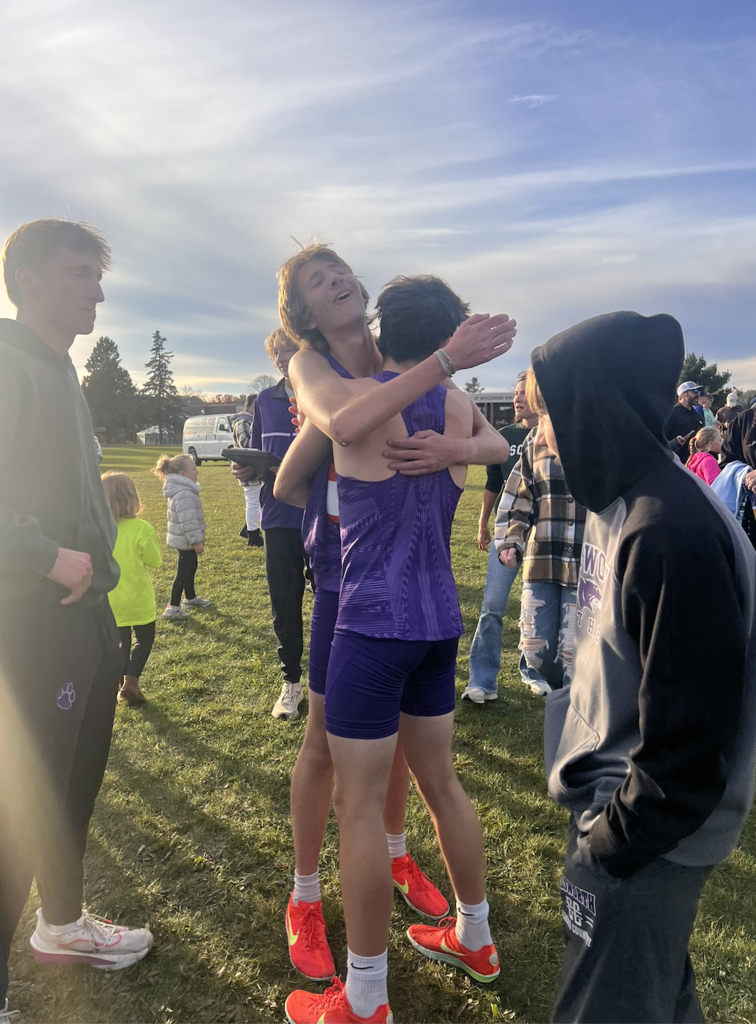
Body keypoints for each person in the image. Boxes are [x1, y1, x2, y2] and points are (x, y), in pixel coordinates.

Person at [284, 274, 515, 1024]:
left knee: (357, 809)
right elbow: (500, 446)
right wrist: (459, 442)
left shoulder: (362, 398)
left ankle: (365, 996)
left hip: (371, 626)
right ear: (449, 333)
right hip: (438, 624)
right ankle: (475, 937)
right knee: (442, 784)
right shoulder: (453, 405)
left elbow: (317, 454)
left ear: (386, 325)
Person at [528, 310, 756, 1024]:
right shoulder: (620, 501)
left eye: (547, 415)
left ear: (591, 408)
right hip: (621, 815)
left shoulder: (670, 533)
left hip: (645, 839)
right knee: (654, 1000)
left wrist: (613, 843)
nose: (541, 436)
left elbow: (691, 740)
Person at [0, 218, 153, 1020]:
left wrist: (97, 569)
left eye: (98, 277)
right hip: (32, 622)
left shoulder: (62, 369)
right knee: (21, 807)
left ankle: (61, 924)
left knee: (71, 790)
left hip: (88, 620)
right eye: (78, 274)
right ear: (27, 280)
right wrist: (43, 555)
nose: (96, 291)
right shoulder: (9, 363)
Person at [493, 390, 586, 697]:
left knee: (575, 655)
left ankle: (573, 707)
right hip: (543, 557)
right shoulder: (536, 439)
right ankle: (560, 692)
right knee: (536, 651)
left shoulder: (602, 435)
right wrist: (511, 539)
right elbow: (519, 495)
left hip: (587, 565)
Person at [243, 329, 309, 720]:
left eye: (288, 349)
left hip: (321, 515)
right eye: (276, 353)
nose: (282, 358)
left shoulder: (322, 392)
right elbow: (256, 454)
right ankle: (291, 682)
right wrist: (246, 469)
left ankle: (329, 680)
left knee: (331, 602)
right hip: (278, 517)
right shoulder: (265, 401)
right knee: (284, 603)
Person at [462, 371, 538, 703]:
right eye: (515, 393)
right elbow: (493, 483)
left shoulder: (554, 435)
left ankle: (533, 670)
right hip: (506, 532)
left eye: (524, 392)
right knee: (492, 605)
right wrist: (482, 523)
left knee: (536, 606)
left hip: (542, 534)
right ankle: (481, 681)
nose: (517, 398)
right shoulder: (503, 437)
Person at [102, 472, 162, 705]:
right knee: (144, 640)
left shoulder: (100, 530)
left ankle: (119, 686)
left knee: (121, 645)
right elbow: (154, 561)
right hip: (138, 599)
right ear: (133, 497)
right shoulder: (142, 528)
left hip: (111, 600)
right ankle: (131, 682)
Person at [155, 453, 210, 619]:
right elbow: (188, 521)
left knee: (191, 567)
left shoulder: (183, 490)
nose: (197, 471)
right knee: (183, 572)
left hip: (185, 539)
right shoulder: (184, 493)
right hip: (186, 540)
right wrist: (196, 541)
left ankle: (190, 597)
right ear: (182, 473)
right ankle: (173, 607)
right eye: (193, 468)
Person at [232, 393, 263, 548]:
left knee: (256, 501)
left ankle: (247, 528)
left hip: (252, 468)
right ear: (249, 406)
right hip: (249, 469)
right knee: (253, 502)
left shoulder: (249, 421)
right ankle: (253, 535)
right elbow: (247, 446)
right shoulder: (244, 422)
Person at [663, 381, 704, 461]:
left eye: (699, 392)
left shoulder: (698, 416)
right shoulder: (671, 414)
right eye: (695, 391)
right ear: (684, 394)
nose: (698, 394)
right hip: (677, 462)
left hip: (696, 462)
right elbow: (662, 441)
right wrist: (675, 443)